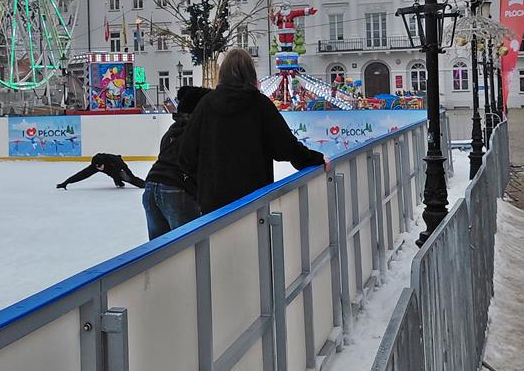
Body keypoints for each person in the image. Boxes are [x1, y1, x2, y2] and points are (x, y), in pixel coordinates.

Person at [181, 49, 325, 214]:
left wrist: (205, 185)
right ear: (251, 74)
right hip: (253, 202)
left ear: (222, 73)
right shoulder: (260, 104)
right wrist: (315, 159)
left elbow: (186, 155)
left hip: (214, 206)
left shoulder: (206, 104)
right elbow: (286, 147)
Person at [142, 85, 211, 240]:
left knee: (160, 252)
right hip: (176, 189)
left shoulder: (172, 130)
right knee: (188, 249)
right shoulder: (199, 131)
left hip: (151, 186)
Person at [57, 153, 145, 189]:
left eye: (100, 167)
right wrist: (66, 182)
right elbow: (82, 174)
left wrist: (132, 178)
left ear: (103, 163)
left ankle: (146, 184)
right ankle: (118, 181)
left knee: (127, 178)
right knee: (116, 177)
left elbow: (126, 168)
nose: (99, 169)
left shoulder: (114, 160)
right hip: (111, 171)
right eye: (97, 168)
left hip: (117, 167)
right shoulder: (95, 165)